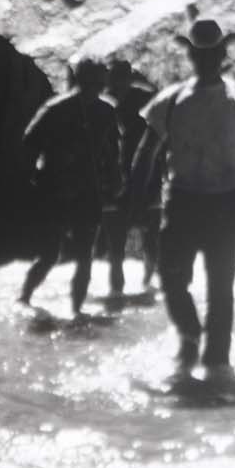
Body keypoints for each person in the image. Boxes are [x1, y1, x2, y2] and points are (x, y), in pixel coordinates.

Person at [127, 10, 235, 386]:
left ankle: (217, 362)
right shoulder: (170, 101)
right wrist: (135, 197)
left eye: (213, 53)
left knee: (220, 288)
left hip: (226, 202)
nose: (207, 59)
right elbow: (146, 152)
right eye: (200, 53)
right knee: (170, 279)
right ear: (191, 56)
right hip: (181, 202)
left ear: (223, 55)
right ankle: (191, 333)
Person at [19, 55, 123, 316]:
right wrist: (35, 176)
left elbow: (112, 150)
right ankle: (24, 298)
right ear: (80, 80)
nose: (98, 87)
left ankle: (77, 311)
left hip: (89, 190)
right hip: (55, 189)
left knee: (86, 254)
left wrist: (116, 179)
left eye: (101, 82)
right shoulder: (56, 109)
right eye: (93, 82)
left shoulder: (107, 111)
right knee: (50, 254)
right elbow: (30, 143)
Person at [102, 59, 160, 295]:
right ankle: (117, 287)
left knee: (151, 230)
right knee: (116, 233)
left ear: (130, 77)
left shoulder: (146, 99)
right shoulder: (102, 102)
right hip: (115, 174)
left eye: (123, 77)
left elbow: (160, 134)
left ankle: (149, 279)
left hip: (148, 172)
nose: (119, 83)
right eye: (115, 78)